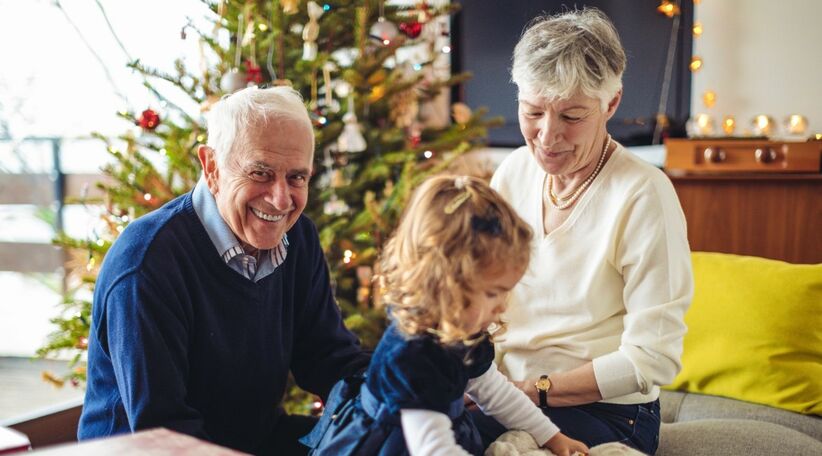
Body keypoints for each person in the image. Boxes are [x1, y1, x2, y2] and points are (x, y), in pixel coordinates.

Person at [78, 86, 369, 455]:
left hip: (251, 440)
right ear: (211, 167)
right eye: (261, 173)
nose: (281, 199)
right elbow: (163, 430)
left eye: (297, 178)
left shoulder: (299, 237)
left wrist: (409, 398)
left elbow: (329, 358)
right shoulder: (147, 262)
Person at [470, 8, 694, 455]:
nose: (548, 137)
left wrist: (530, 392)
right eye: (533, 112)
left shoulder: (644, 194)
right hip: (505, 394)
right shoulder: (513, 172)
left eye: (571, 117)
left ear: (610, 103)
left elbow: (653, 357)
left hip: (609, 411)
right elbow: (478, 299)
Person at [300, 175, 589, 456]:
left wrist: (552, 436)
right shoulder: (413, 356)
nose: (502, 306)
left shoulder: (464, 331)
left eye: (505, 292)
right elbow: (431, 448)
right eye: (492, 294)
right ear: (445, 286)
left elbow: (495, 392)